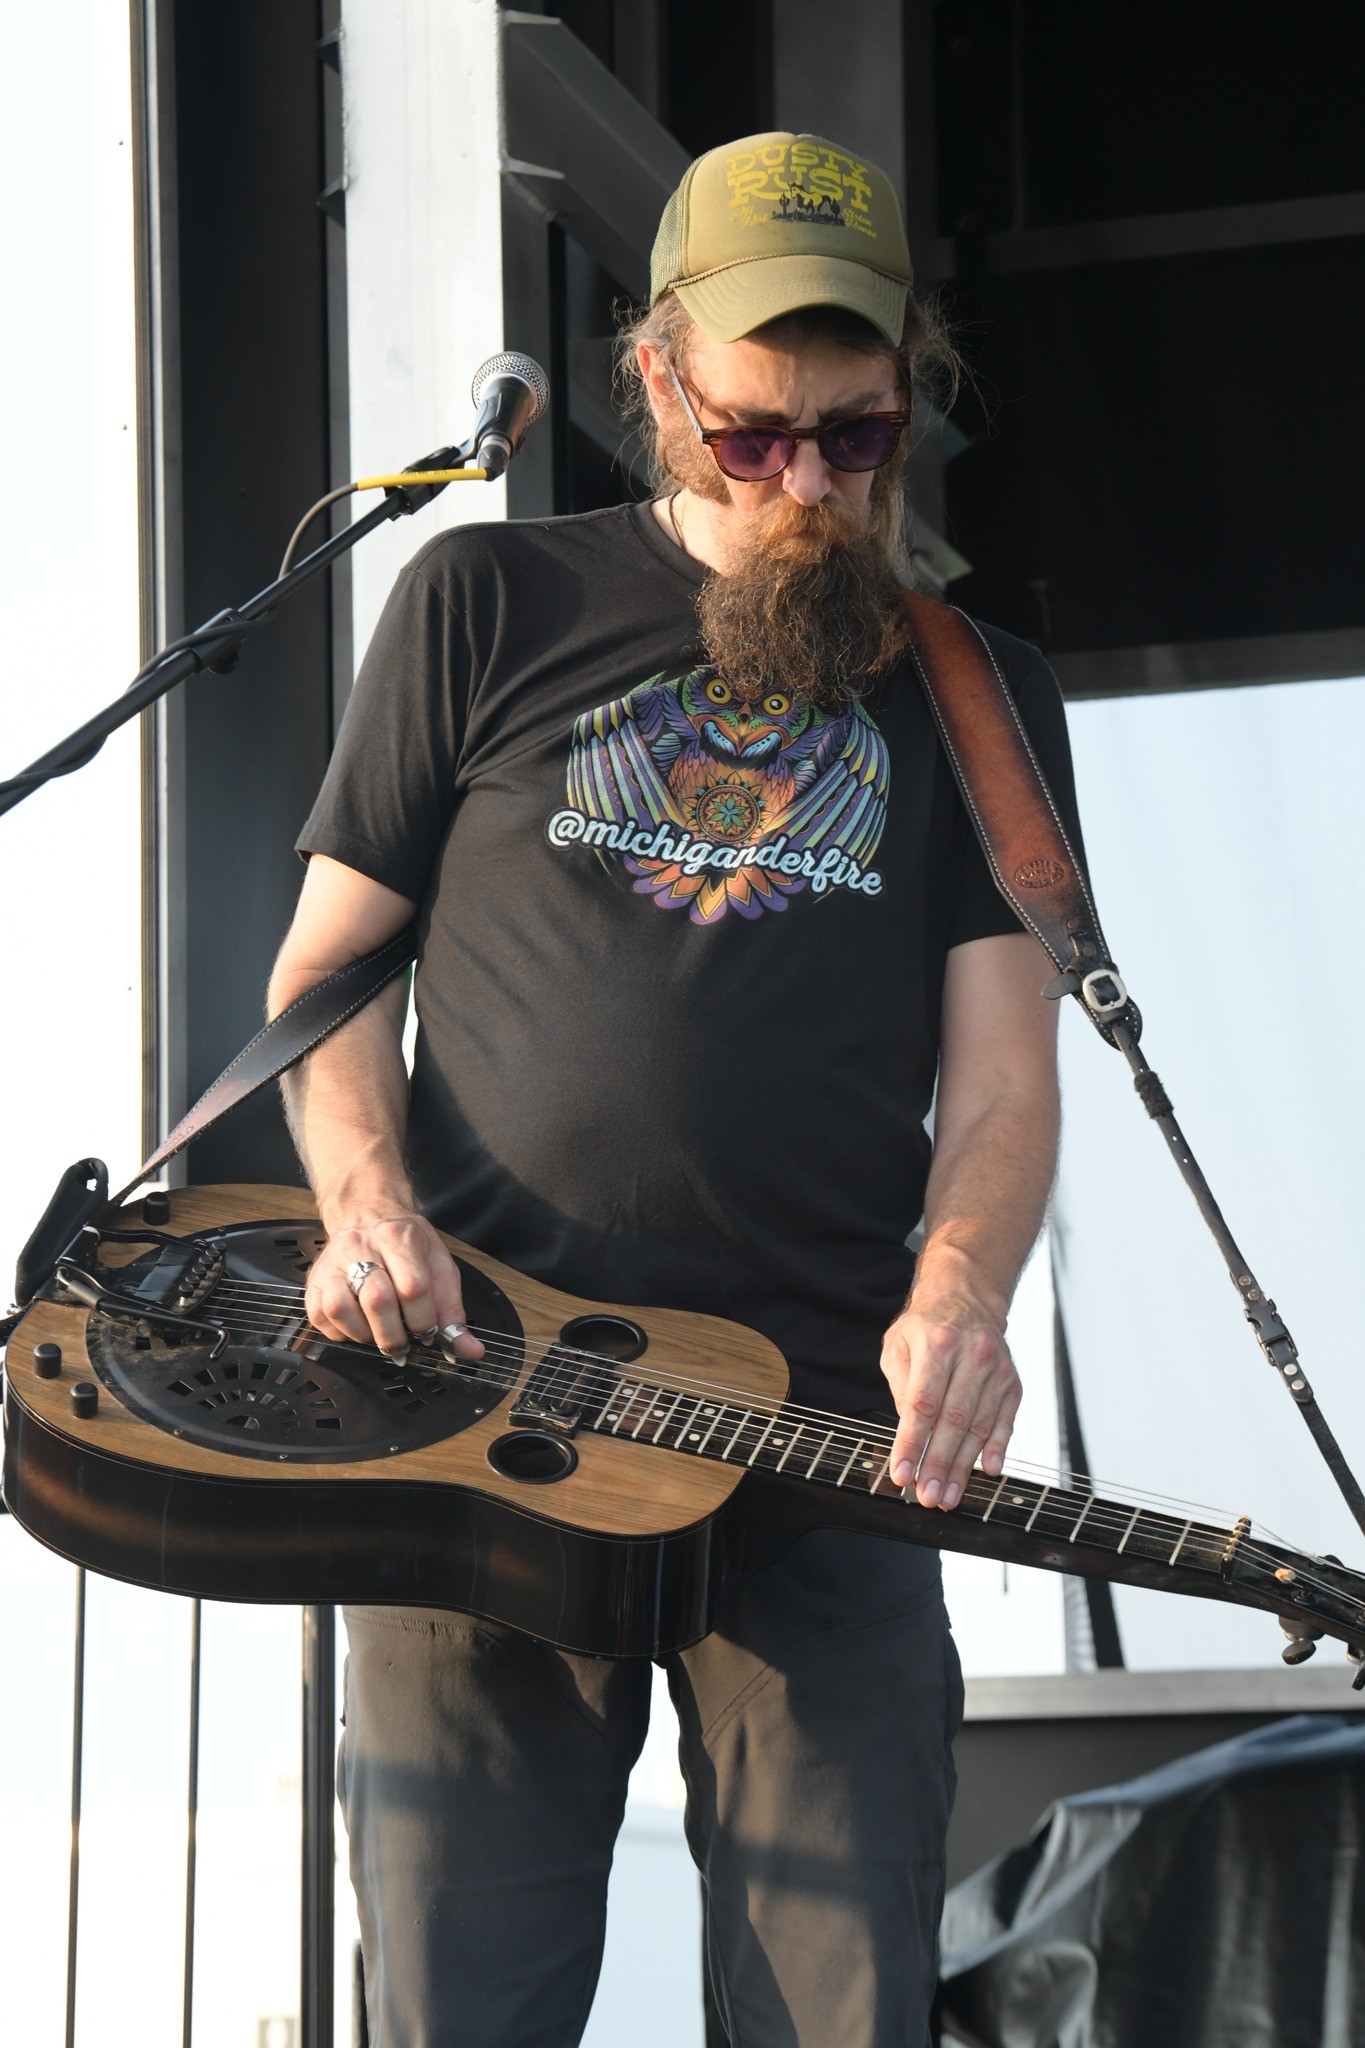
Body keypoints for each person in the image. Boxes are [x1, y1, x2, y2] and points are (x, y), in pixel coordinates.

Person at [269, 129, 1080, 2048]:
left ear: (909, 393)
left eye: (856, 436)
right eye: (753, 435)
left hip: (829, 1443)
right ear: (655, 382)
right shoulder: (482, 601)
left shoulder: (977, 695)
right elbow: (321, 981)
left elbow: (1002, 1086)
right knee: (459, 2011)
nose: (806, 483)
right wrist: (366, 1207)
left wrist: (960, 1295)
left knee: (842, 2011)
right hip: (476, 1405)